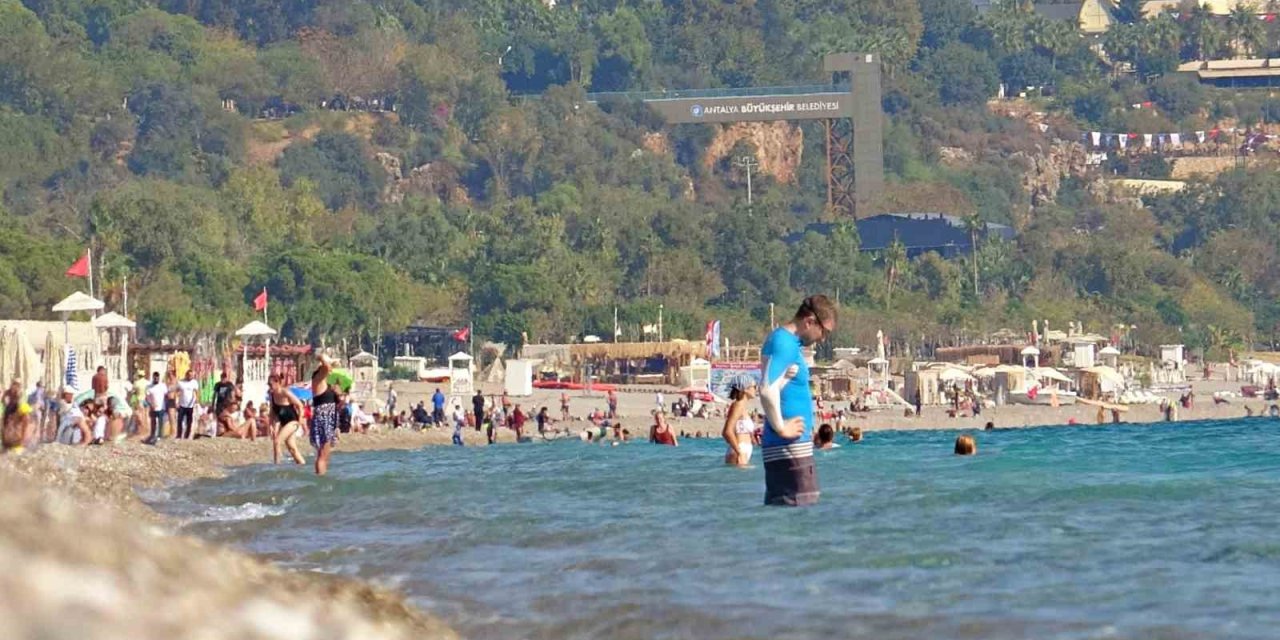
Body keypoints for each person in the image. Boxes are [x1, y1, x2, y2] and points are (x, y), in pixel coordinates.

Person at [759, 295, 836, 507]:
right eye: (824, 332)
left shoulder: (785, 342)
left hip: (791, 449)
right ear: (810, 321)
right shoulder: (784, 342)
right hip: (789, 450)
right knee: (800, 514)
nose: (822, 339)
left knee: (791, 516)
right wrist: (781, 428)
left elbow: (775, 385)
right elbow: (766, 389)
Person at [310, 355, 340, 475]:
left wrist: (337, 392)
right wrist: (327, 360)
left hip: (328, 417)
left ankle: (322, 475)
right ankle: (320, 477)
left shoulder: (325, 384)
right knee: (323, 453)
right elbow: (326, 365)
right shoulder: (317, 379)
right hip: (324, 417)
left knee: (325, 453)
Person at [269, 375, 306, 465]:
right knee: (292, 448)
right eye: (268, 384)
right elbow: (272, 412)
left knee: (277, 441)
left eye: (271, 384)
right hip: (284, 423)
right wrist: (271, 425)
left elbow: (300, 405)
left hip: (293, 422)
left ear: (277, 382)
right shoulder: (272, 395)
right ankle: (302, 465)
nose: (270, 387)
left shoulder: (285, 392)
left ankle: (276, 466)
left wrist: (300, 419)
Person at [721, 377, 758, 466]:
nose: (756, 389)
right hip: (739, 450)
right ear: (745, 389)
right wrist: (739, 452)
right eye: (754, 386)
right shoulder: (738, 405)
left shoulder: (742, 406)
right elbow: (727, 432)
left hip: (742, 450)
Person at [144, 372, 167, 445]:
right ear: (153, 377)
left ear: (159, 378)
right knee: (153, 422)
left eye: (157, 377)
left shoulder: (163, 386)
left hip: (161, 407)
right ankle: (152, 434)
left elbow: (166, 395)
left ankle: (160, 436)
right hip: (153, 407)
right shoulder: (149, 387)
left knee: (160, 422)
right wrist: (151, 404)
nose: (156, 379)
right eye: (155, 377)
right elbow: (147, 397)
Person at [176, 370, 200, 439]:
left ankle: (187, 436)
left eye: (192, 375)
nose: (190, 377)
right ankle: (179, 435)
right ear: (186, 375)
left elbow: (196, 392)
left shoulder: (194, 382)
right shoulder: (181, 382)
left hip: (190, 405)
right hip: (182, 404)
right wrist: (176, 402)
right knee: (179, 420)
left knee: (189, 421)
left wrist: (197, 401)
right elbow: (177, 392)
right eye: (189, 375)